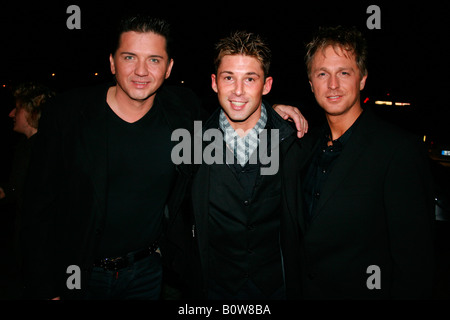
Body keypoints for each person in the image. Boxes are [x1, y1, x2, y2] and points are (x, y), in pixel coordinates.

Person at [20, 15, 307, 300]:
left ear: (168, 68)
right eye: (130, 57)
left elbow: (240, 108)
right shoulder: (67, 115)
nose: (141, 71)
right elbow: (38, 205)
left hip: (147, 271)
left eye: (154, 60)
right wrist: (46, 287)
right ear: (112, 62)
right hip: (79, 273)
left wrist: (273, 110)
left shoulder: (183, 112)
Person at [166, 31, 307, 300]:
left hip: (276, 288)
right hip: (212, 290)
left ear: (266, 85)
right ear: (214, 82)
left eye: (250, 79)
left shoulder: (293, 142)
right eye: (229, 77)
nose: (238, 91)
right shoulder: (192, 145)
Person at [297, 25, 435, 299]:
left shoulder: (398, 151)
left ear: (362, 79)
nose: (333, 84)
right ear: (311, 84)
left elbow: (415, 264)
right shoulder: (302, 146)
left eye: (344, 73)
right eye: (322, 74)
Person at [0, 82, 54, 299]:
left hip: (45, 252)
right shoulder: (26, 146)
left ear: (32, 111)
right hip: (30, 248)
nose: (11, 113)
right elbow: (15, 187)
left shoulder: (47, 149)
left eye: (17, 108)